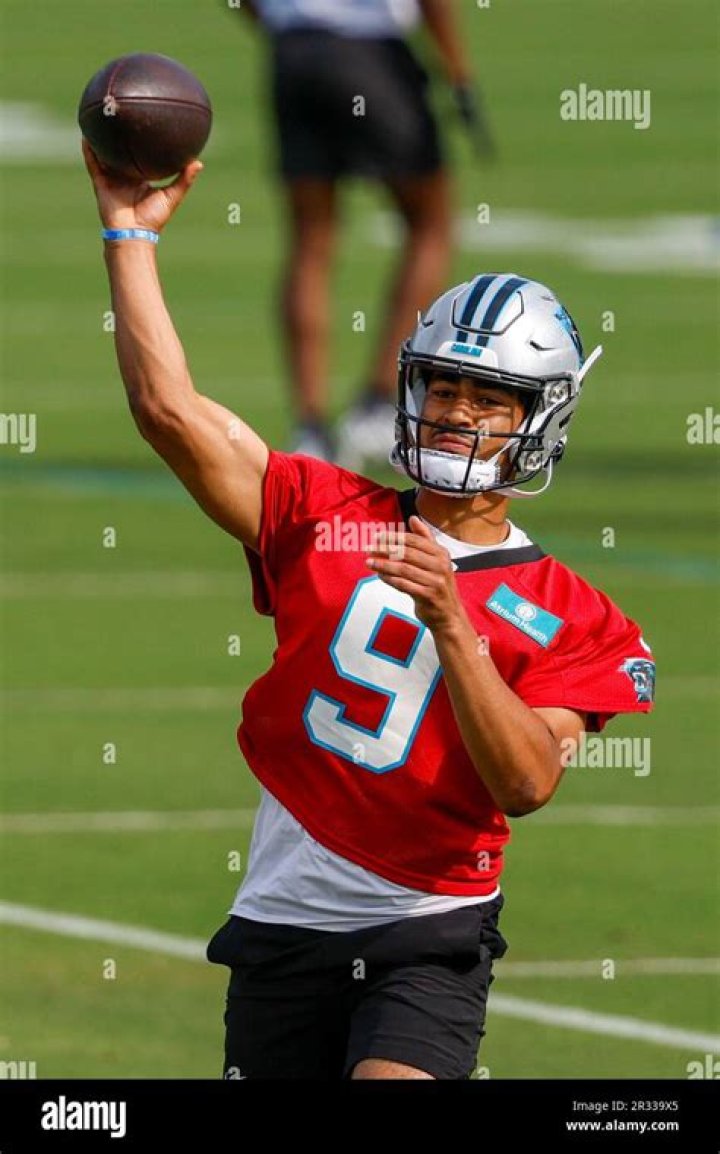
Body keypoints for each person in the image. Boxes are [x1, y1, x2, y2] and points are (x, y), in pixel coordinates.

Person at [82, 142, 656, 1080]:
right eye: (444, 388)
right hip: (282, 920)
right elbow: (167, 412)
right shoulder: (323, 513)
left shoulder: (575, 616)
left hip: (426, 933)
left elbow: (525, 782)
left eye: (489, 399)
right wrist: (127, 236)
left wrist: (454, 623)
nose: (457, 414)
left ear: (538, 420)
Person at [233, 0, 495, 466]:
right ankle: (375, 405)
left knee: (310, 239)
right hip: (372, 52)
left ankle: (309, 427)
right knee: (430, 225)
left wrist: (283, 24)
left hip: (293, 53)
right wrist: (459, 74)